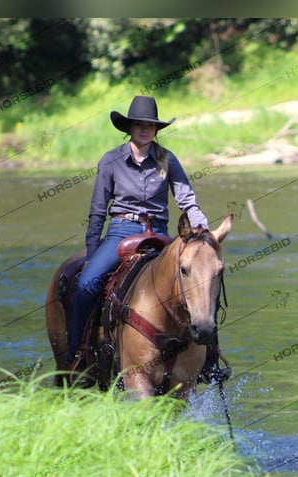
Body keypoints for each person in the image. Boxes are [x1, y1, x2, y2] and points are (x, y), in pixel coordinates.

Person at [67, 95, 229, 384]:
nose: (145, 129)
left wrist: (201, 226)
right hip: (121, 231)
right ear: (129, 127)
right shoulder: (111, 161)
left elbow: (187, 200)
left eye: (150, 125)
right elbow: (97, 213)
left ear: (156, 129)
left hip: (162, 234)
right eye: (139, 125)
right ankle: (78, 355)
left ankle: (209, 360)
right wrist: (93, 252)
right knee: (86, 283)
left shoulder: (168, 159)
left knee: (203, 277)